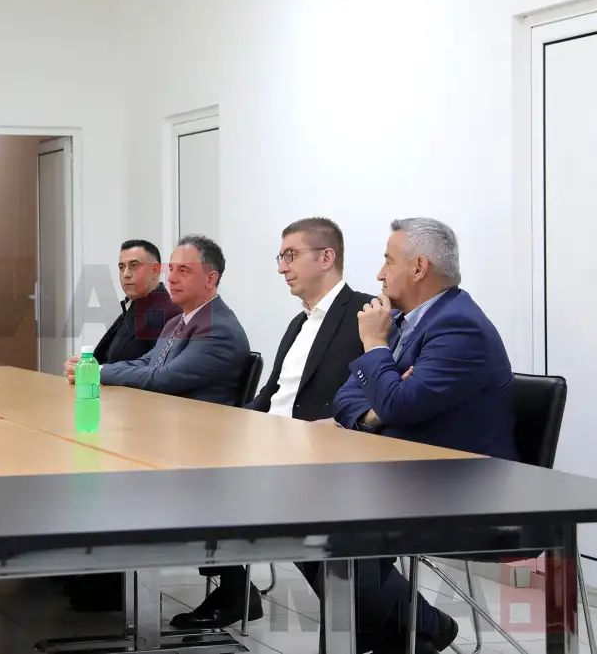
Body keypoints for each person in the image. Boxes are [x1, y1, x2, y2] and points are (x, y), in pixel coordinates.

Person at [320, 217, 518, 654]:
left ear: (419, 267)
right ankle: (418, 629)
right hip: (410, 476)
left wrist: (375, 349)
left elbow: (399, 405)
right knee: (304, 516)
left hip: (461, 489)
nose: (379, 274)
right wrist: (376, 407)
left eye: (388, 261)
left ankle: (412, 630)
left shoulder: (459, 327)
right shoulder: (403, 320)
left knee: (325, 525)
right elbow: (346, 396)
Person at [171, 217, 373, 631]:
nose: (281, 267)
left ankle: (401, 619)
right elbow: (270, 395)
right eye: (280, 257)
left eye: (290, 256)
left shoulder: (364, 314)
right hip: (273, 446)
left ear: (326, 258)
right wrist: (227, 428)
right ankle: (234, 591)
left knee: (270, 505)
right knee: (190, 469)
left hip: (319, 456)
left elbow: (372, 396)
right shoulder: (299, 323)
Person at [68, 235, 250, 407]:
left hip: (199, 426)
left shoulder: (218, 329)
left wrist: (96, 373)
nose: (171, 278)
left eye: (183, 271)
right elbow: (146, 362)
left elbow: (164, 379)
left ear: (210, 279)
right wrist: (94, 368)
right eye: (171, 269)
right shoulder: (177, 322)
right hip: (164, 417)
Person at [70, 239, 181, 370]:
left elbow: (156, 373)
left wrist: (96, 371)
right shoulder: (133, 307)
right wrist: (83, 366)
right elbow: (108, 359)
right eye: (121, 267)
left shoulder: (171, 314)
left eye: (134, 265)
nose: (126, 274)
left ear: (155, 270)